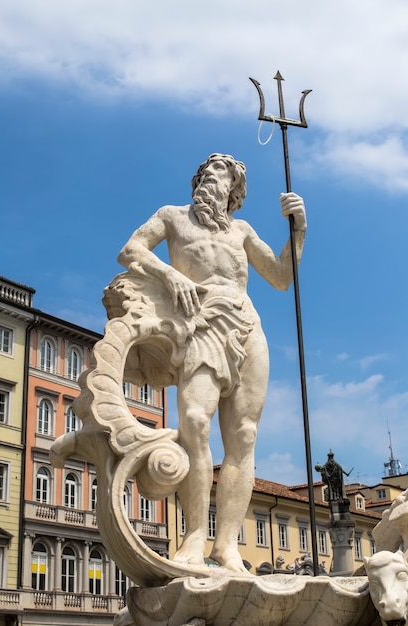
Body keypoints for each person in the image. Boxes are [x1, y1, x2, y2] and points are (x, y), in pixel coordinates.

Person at [117, 153, 307, 573]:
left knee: (243, 434)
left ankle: (227, 547)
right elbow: (131, 249)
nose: (209, 175)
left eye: (219, 171)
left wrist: (298, 232)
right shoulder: (173, 216)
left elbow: (279, 276)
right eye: (205, 171)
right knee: (195, 422)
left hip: (247, 327)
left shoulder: (241, 230)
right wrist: (172, 275)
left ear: (233, 189)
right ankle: (193, 539)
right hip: (200, 324)